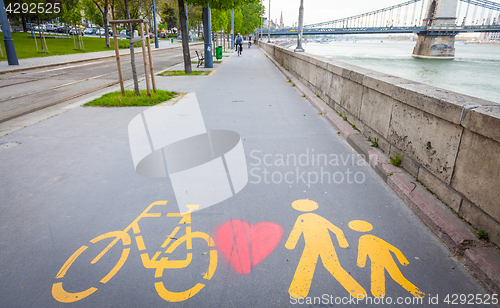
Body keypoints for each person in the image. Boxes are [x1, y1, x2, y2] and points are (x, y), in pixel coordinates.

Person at [286, 199, 366, 299]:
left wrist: (290, 244)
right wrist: (343, 243)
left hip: (311, 245)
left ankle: (298, 291)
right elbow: (337, 230)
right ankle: (356, 290)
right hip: (325, 244)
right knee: (332, 266)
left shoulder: (302, 218)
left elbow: (295, 232)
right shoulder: (319, 218)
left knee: (307, 265)